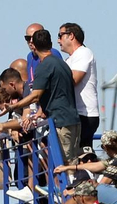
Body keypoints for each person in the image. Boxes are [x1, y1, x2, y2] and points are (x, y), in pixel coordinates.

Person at [12, 29, 83, 168]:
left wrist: (13, 106)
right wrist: (41, 112)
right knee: (72, 162)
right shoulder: (62, 64)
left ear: (34, 46)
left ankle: (69, 182)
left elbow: (36, 95)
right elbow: (57, 91)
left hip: (60, 121)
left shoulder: (44, 66)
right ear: (50, 43)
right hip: (72, 118)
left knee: (64, 165)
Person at [59, 23, 101, 147]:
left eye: (60, 35)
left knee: (80, 153)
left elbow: (74, 79)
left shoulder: (84, 53)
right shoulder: (69, 60)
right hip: (75, 114)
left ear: (71, 36)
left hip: (85, 114)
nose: (58, 40)